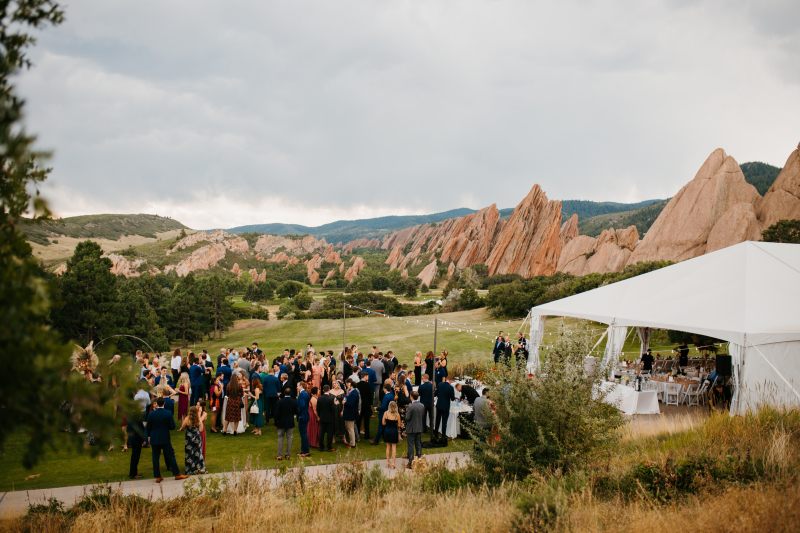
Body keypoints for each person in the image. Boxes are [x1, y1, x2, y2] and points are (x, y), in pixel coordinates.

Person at [146, 397, 188, 482]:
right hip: (164, 436)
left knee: (155, 457)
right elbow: (172, 426)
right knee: (170, 455)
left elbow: (148, 427)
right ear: (164, 403)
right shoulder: (168, 413)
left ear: (157, 404)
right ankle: (177, 474)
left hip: (154, 437)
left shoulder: (151, 414)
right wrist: (166, 427)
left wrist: (149, 436)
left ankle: (157, 476)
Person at [128, 381, 149, 479]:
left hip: (134, 439)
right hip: (137, 439)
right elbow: (139, 429)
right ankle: (133, 473)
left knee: (135, 457)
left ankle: (134, 472)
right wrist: (142, 440)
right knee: (135, 457)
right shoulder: (136, 417)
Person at [180, 406, 207, 475]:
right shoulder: (198, 419)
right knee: (198, 452)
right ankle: (200, 468)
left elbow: (183, 427)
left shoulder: (187, 419)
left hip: (189, 437)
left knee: (189, 453)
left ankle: (190, 470)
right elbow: (201, 429)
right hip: (197, 437)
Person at [275, 387, 297, 460]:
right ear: (290, 393)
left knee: (280, 438)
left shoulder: (281, 402)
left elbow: (277, 413)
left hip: (281, 422)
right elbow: (296, 412)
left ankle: (279, 455)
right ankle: (287, 455)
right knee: (289, 438)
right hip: (290, 421)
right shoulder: (294, 401)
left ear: (284, 393)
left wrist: (275, 423)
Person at [405, 391, 425, 469]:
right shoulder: (422, 405)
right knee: (418, 444)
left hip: (411, 428)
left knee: (410, 445)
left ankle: (411, 462)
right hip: (419, 427)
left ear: (412, 397)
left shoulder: (410, 407)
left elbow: (407, 418)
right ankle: (419, 459)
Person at [316, 385, 336, 452]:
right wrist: (335, 404)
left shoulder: (319, 398)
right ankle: (329, 447)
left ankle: (321, 446)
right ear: (329, 390)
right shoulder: (331, 398)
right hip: (330, 418)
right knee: (329, 433)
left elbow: (317, 409)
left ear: (323, 390)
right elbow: (333, 409)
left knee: (322, 432)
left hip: (322, 417)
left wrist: (320, 415)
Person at [382, 401, 400, 469]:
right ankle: (393, 463)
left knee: (388, 447)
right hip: (394, 431)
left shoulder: (385, 413)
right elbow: (399, 424)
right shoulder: (397, 415)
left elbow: (383, 423)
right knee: (394, 447)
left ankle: (387, 462)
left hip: (387, 430)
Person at [356, 371, 373, 440]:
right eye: (367, 377)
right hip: (366, 404)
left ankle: (357, 434)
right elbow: (370, 396)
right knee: (366, 420)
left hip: (359, 405)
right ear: (365, 377)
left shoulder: (357, 384)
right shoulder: (367, 385)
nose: (368, 378)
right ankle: (367, 435)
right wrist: (370, 404)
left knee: (358, 420)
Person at [343, 379, 359, 448]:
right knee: (349, 428)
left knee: (350, 429)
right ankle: (352, 442)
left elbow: (351, 404)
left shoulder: (353, 394)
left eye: (349, 385)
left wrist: (344, 403)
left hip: (350, 413)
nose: (348, 386)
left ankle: (352, 443)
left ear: (351, 386)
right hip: (350, 413)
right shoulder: (353, 392)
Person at [297, 382, 311, 457]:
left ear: (301, 386)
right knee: (303, 434)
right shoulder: (305, 394)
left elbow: (302, 405)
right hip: (305, 415)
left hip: (302, 416)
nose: (297, 387)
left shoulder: (302, 394)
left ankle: (306, 451)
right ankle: (303, 449)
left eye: (298, 386)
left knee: (303, 434)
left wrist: (298, 413)